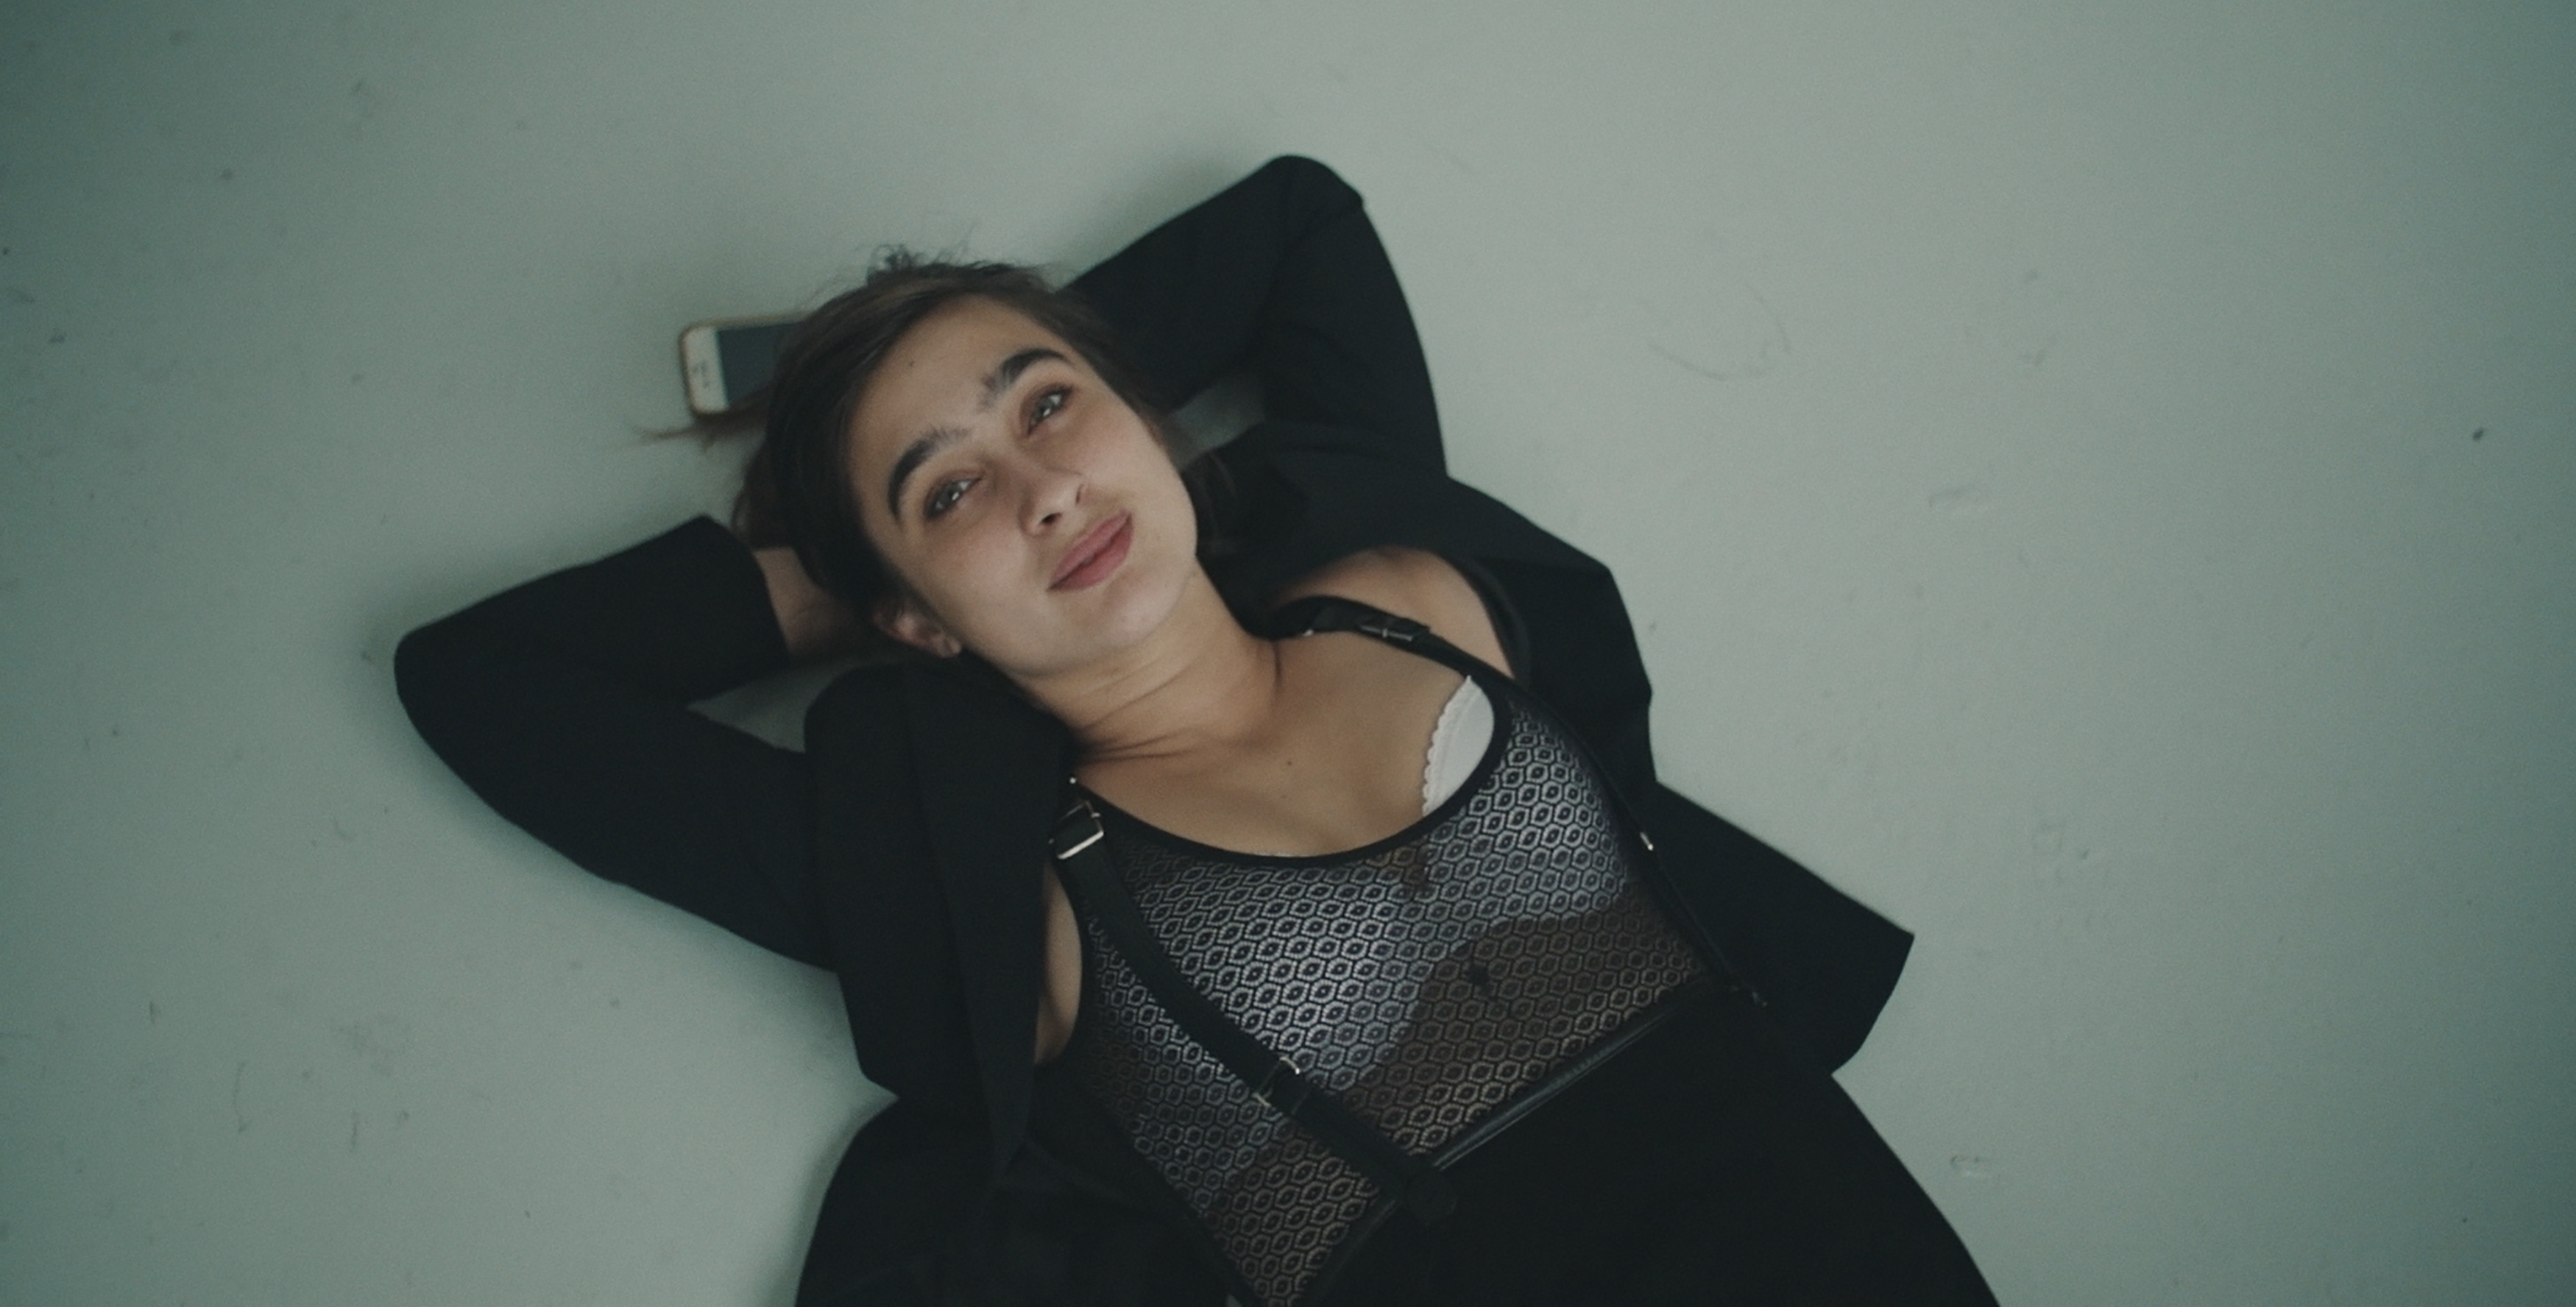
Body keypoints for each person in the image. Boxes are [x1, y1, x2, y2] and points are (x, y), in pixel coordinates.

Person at [396, 157, 1997, 1305]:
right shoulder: (990, 884)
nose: (1042, 489)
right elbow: (481, 679)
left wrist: (935, 435)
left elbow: (1296, 220)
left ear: (1140, 411)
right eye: (948, 492)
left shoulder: (1394, 581)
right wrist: (842, 563)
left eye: (1049, 402)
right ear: (912, 620)